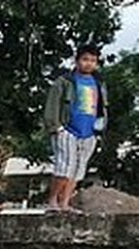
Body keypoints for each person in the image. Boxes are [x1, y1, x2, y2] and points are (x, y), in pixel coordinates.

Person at [44, 44, 108, 212]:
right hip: (67, 129)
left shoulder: (98, 83)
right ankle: (52, 201)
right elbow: (52, 105)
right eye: (85, 59)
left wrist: (99, 131)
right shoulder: (64, 82)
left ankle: (65, 203)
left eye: (93, 60)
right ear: (77, 60)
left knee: (78, 170)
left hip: (89, 132)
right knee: (64, 167)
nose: (89, 64)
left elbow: (102, 107)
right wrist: (56, 127)